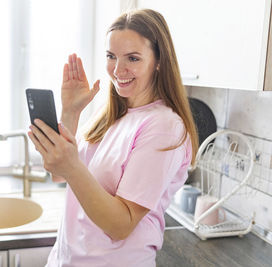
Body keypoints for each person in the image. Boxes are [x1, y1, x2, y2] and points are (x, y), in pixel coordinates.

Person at [27, 9, 198, 267]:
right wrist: (71, 111)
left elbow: (121, 225)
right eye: (111, 56)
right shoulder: (112, 114)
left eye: (133, 58)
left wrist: (71, 167)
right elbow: (61, 176)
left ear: (159, 60)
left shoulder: (164, 126)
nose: (118, 69)